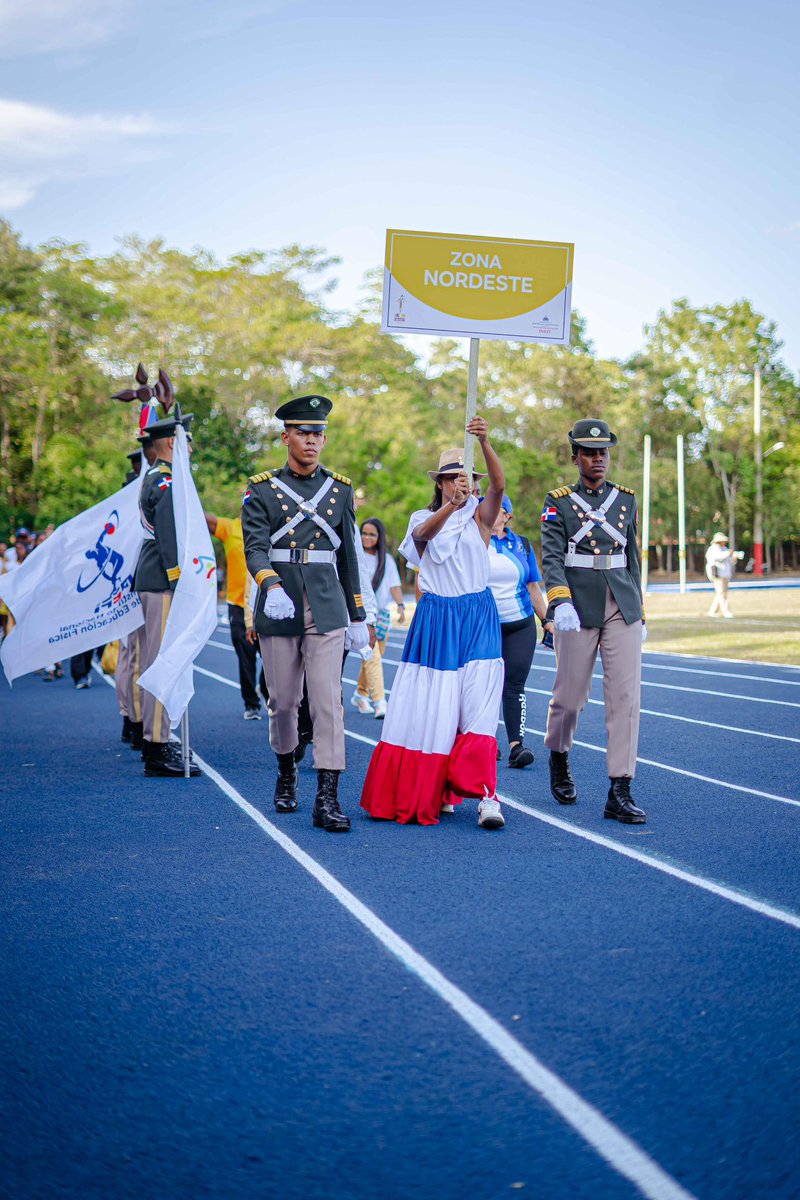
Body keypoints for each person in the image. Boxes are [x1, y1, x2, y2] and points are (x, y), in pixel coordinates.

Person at [360, 417, 506, 830]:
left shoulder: (481, 516)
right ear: (441, 483)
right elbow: (423, 535)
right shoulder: (422, 517)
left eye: (467, 479)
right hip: (436, 618)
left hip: (477, 616)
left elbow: (499, 487)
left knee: (478, 708)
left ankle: (487, 796)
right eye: (453, 478)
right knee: (435, 710)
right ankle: (440, 790)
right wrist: (451, 507)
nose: (463, 485)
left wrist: (486, 442)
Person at [242, 394, 369, 832]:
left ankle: (328, 797)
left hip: (327, 602)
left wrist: (358, 614)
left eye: (318, 434)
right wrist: (269, 584)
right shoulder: (260, 489)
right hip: (280, 601)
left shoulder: (340, 488)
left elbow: (349, 555)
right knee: (282, 703)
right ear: (286, 437)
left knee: (328, 701)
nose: (312, 441)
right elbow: (254, 548)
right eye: (303, 433)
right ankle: (286, 771)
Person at [540, 419, 647, 824]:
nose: (598, 458)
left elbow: (632, 558)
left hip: (621, 604)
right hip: (576, 606)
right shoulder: (559, 501)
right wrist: (559, 601)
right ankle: (559, 754)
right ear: (576, 458)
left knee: (625, 699)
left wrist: (641, 610)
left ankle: (620, 788)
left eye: (602, 452)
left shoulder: (626, 499)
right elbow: (550, 556)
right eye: (589, 452)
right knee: (570, 698)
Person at [133, 410, 200, 778]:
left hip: (155, 577)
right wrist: (180, 580)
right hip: (162, 579)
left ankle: (156, 738)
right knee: (161, 661)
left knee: (157, 658)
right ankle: (156, 745)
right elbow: (169, 536)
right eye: (187, 441)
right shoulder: (166, 481)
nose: (190, 448)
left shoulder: (160, 477)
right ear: (174, 442)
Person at [487, 495, 553, 768]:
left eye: (498, 510)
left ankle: (516, 746)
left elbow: (533, 588)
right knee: (484, 685)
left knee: (514, 685)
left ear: (507, 516)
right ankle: (486, 742)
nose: (492, 514)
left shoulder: (522, 545)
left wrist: (547, 620)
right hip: (485, 625)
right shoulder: (475, 541)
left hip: (520, 624)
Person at [205, 509, 267, 719]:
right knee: (245, 654)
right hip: (238, 604)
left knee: (273, 654)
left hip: (266, 604)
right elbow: (205, 519)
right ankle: (251, 704)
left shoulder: (270, 529)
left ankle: (265, 688)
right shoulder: (231, 528)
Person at [351, 517, 405, 718]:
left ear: (379, 537)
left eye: (371, 534)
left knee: (373, 657)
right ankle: (380, 702)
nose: (366, 537)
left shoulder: (387, 560)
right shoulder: (356, 555)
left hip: (381, 615)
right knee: (373, 658)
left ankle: (360, 693)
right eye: (364, 533)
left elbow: (394, 585)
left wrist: (400, 606)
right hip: (361, 615)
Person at [705, 533, 737, 618]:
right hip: (717, 575)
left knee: (721, 593)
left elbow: (731, 561)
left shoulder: (725, 549)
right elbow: (717, 557)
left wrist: (734, 557)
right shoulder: (712, 549)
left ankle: (712, 611)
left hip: (726, 574)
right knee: (721, 593)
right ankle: (726, 612)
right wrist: (727, 553)